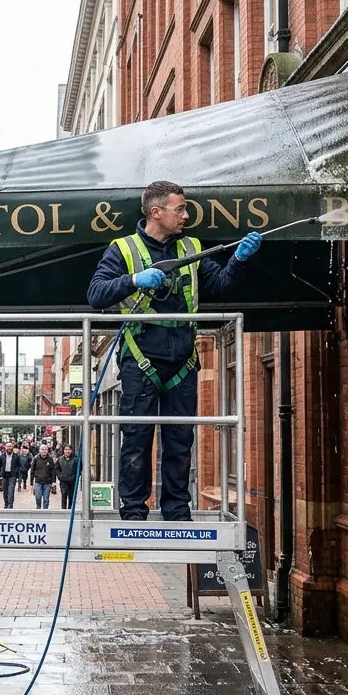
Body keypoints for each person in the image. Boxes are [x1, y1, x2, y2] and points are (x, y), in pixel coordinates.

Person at [87, 180, 261, 521]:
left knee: (180, 439)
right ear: (156, 212)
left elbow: (219, 285)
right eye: (179, 209)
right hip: (141, 359)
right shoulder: (124, 249)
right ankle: (133, 511)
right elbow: (96, 294)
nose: (185, 216)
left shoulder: (191, 247)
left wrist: (238, 260)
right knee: (136, 438)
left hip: (183, 360)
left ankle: (177, 510)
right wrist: (134, 280)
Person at [0, 442, 23, 509]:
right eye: (7, 446)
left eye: (10, 446)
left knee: (11, 490)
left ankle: (10, 504)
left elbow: (19, 466)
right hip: (4, 475)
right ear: (5, 448)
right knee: (5, 491)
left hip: (13, 475)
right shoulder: (1, 457)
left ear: (12, 447)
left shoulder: (16, 457)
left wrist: (17, 473)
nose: (9, 448)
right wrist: (1, 473)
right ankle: (6, 503)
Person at [29, 444, 59, 510]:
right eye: (42, 449)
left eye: (45, 449)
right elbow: (32, 470)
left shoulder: (50, 459)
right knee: (38, 497)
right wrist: (31, 482)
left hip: (47, 483)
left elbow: (53, 471)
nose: (44, 451)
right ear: (39, 450)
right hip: (38, 482)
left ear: (47, 450)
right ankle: (38, 509)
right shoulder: (36, 458)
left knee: (46, 499)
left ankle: (45, 511)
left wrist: (54, 482)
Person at [56, 445, 79, 510]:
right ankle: (63, 510)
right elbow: (57, 469)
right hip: (63, 481)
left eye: (69, 449)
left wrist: (75, 476)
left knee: (71, 496)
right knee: (64, 495)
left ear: (71, 450)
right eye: (66, 449)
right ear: (63, 451)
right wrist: (60, 476)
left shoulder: (76, 459)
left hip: (72, 481)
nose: (67, 451)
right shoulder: (60, 459)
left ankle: (70, 509)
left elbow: (79, 469)